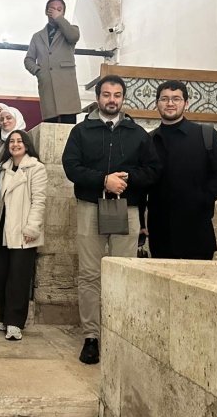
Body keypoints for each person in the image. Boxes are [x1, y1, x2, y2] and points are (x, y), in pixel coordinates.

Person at [61, 74, 161, 365]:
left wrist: (126, 180)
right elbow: (71, 167)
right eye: (106, 94)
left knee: (121, 272)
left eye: (117, 95)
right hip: (91, 207)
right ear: (98, 97)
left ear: (123, 98)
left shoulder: (137, 133)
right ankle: (91, 337)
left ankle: (118, 333)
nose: (111, 100)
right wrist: (103, 181)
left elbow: (152, 171)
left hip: (126, 210)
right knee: (90, 274)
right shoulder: (82, 131)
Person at [147, 80, 217, 260]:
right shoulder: (149, 140)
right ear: (157, 103)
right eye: (165, 99)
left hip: (197, 229)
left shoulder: (205, 135)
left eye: (176, 99)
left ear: (186, 103)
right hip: (160, 232)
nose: (170, 103)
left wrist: (202, 199)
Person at [0, 130, 47, 341]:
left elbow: (39, 201)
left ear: (27, 144)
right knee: (3, 275)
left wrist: (32, 227)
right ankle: (4, 317)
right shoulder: (3, 168)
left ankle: (15, 323)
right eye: (11, 141)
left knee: (19, 278)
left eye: (19, 141)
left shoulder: (36, 168)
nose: (15, 144)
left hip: (23, 232)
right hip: (3, 229)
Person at [25, 0, 81, 124]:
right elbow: (28, 59)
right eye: (52, 9)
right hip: (47, 85)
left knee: (68, 128)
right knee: (50, 127)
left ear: (63, 13)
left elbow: (73, 37)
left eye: (59, 9)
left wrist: (59, 18)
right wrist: (39, 72)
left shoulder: (71, 30)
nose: (55, 11)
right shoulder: (37, 36)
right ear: (46, 11)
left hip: (67, 85)